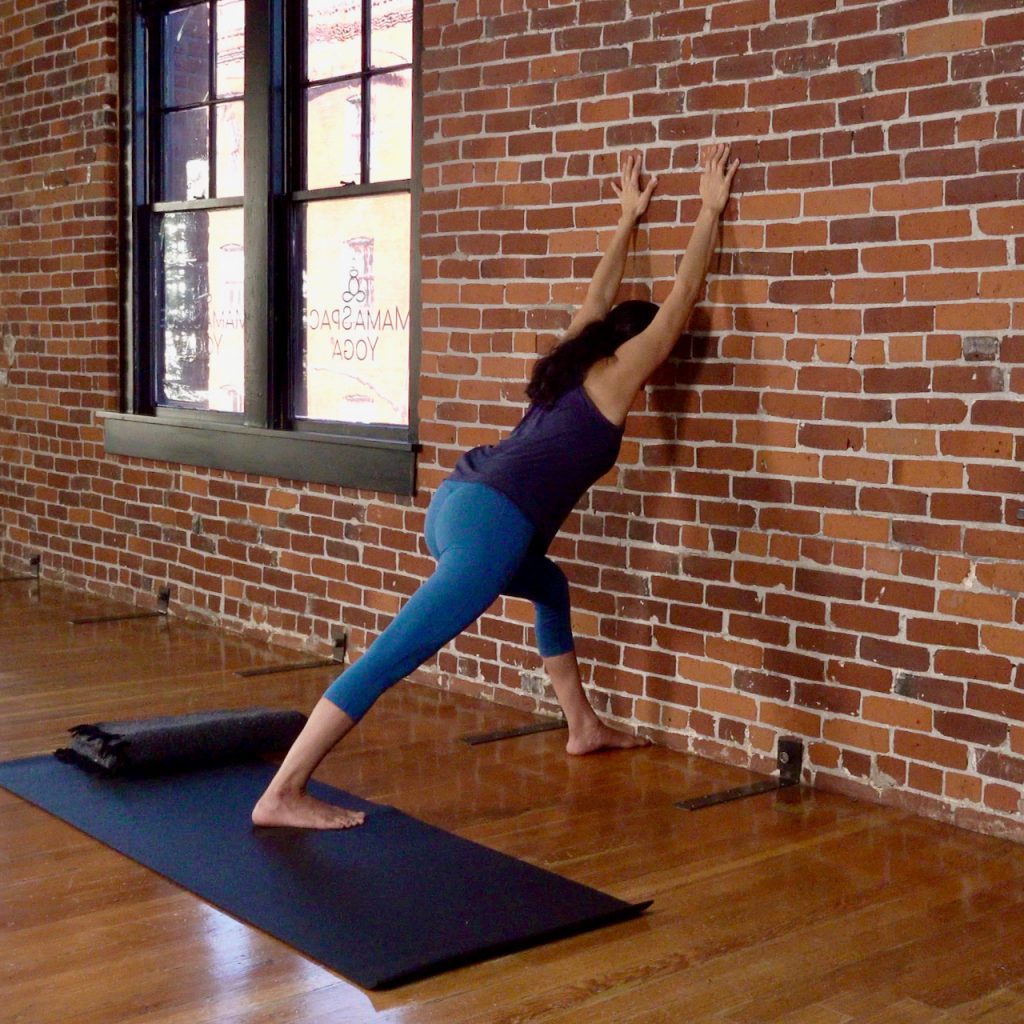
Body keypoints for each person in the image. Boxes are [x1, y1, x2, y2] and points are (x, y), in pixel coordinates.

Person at [253, 144, 740, 829]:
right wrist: (710, 211)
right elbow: (680, 305)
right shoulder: (616, 378)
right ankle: (284, 791)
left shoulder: (574, 360)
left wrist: (629, 220)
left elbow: (598, 298)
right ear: (631, 349)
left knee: (548, 585)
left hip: (459, 500)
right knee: (398, 651)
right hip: (492, 523)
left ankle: (583, 726)